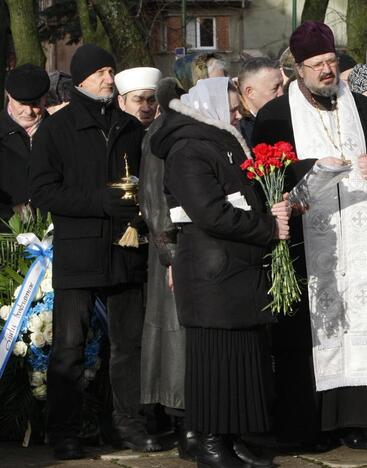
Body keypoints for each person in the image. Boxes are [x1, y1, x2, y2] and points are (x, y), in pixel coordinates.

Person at [253, 21, 367, 451]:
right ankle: (309, 424)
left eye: (331, 62)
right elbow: (265, 176)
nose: (326, 71)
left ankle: (360, 421)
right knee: (308, 334)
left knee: (363, 322)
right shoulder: (275, 115)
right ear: (298, 68)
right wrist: (304, 174)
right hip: (304, 240)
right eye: (316, 64)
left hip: (364, 240)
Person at [28, 44, 162, 460]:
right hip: (80, 252)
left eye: (112, 69)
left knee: (128, 346)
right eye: (102, 72)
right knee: (69, 347)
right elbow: (44, 190)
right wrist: (100, 203)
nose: (110, 77)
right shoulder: (58, 127)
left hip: (126, 250)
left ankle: (127, 425)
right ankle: (64, 430)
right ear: (82, 78)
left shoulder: (129, 126)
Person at [150, 77, 287, 468]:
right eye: (229, 108)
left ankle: (234, 436)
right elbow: (209, 213)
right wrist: (267, 227)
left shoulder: (219, 143)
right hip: (212, 272)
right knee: (215, 364)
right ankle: (210, 442)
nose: (236, 115)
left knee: (241, 360)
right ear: (207, 107)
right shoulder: (189, 149)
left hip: (236, 268)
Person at [137, 77, 195, 459]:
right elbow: (156, 200)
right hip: (175, 252)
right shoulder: (164, 133)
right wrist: (170, 253)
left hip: (192, 249)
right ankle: (184, 420)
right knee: (176, 337)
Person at [0, 64, 50, 227]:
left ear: (45, 98)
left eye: (36, 103)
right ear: (9, 96)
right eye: (21, 103)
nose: (29, 112)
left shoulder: (61, 132)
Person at [237, 57, 284, 146]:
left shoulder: (284, 117)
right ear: (250, 92)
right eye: (275, 88)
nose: (281, 93)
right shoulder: (240, 131)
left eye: (282, 85)